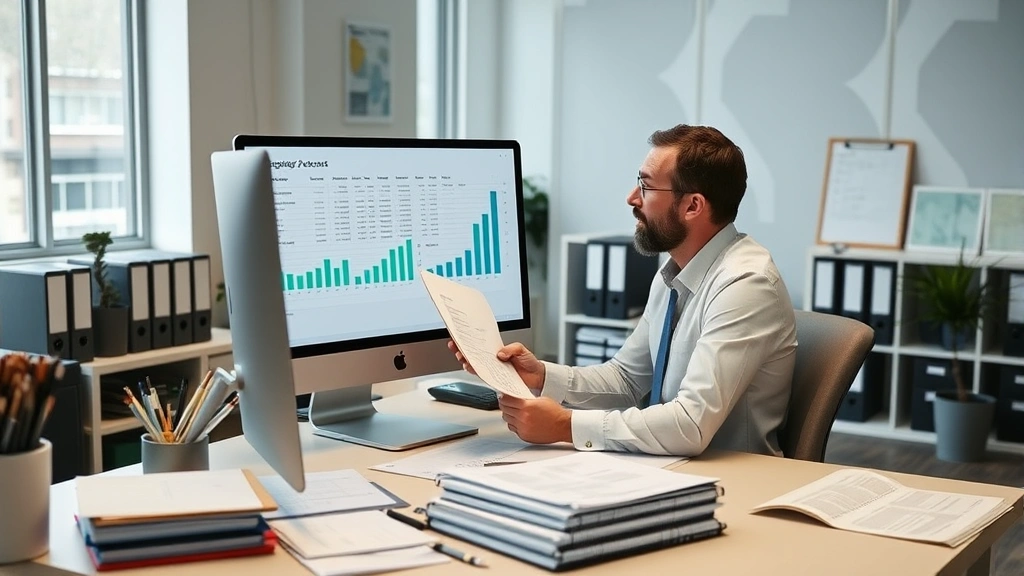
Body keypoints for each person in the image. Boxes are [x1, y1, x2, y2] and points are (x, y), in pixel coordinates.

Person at [450, 124, 797, 457]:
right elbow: (627, 379)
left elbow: (690, 424)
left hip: (734, 483)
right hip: (672, 468)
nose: (632, 199)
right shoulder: (674, 273)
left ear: (693, 206)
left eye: (645, 187)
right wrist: (540, 374)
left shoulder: (744, 285)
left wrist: (566, 426)